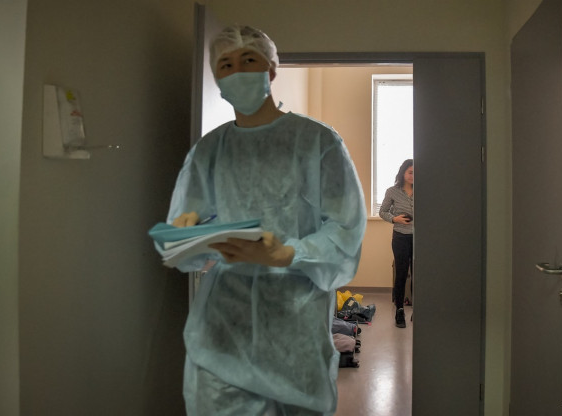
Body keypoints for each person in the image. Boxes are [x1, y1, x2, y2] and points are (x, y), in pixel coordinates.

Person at [161, 25, 367, 416]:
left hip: (294, 326)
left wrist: (288, 253)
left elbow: (345, 229)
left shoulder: (318, 142)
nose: (237, 70)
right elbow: (184, 245)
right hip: (222, 331)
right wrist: (185, 237)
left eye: (248, 60)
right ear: (216, 78)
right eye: (225, 64)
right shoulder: (208, 151)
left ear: (271, 70)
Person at [379, 159, 414, 328]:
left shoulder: (423, 190)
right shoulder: (392, 191)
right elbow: (382, 211)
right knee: (401, 274)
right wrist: (395, 219)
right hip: (400, 237)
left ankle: (417, 309)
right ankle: (399, 310)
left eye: (416, 173)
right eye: (410, 172)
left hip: (419, 238)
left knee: (418, 275)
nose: (413, 176)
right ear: (403, 173)